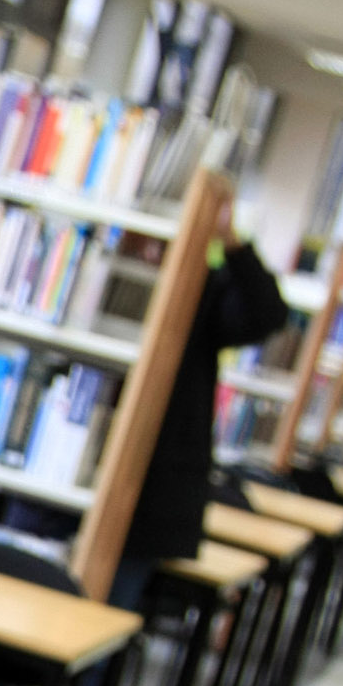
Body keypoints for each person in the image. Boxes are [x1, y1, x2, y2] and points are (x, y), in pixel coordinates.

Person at [109, 207, 293, 610]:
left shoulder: (199, 292)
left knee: (110, 611)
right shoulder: (100, 271)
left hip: (149, 492)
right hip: (62, 482)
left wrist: (233, 245)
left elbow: (266, 314)